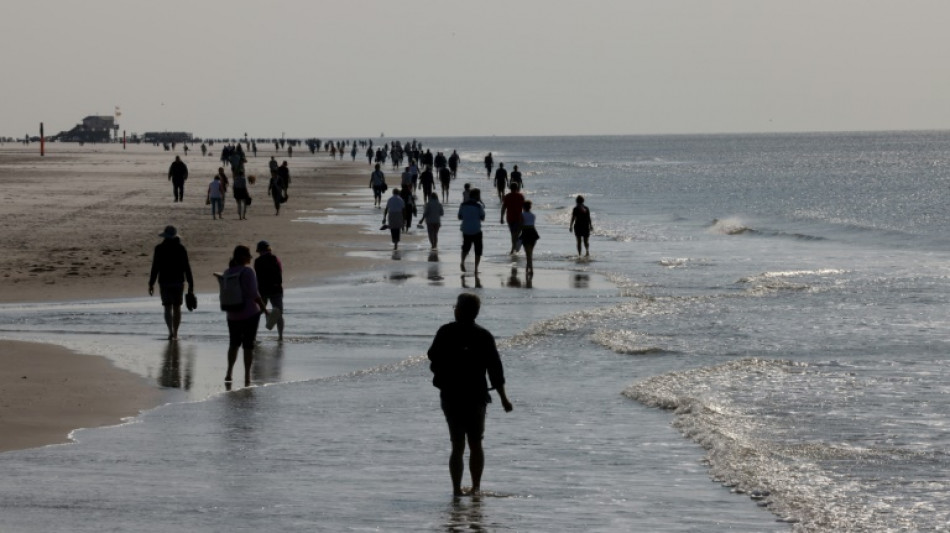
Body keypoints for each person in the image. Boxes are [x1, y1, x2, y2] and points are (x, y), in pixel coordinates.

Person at [427, 293, 513, 497]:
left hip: (451, 395)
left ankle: (457, 490)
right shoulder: (483, 335)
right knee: (476, 443)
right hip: (476, 396)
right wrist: (503, 399)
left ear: (461, 310)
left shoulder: (446, 332)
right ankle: (475, 488)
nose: (454, 309)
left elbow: (433, 357)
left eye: (456, 306)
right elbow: (495, 371)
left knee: (457, 444)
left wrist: (441, 374)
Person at [222, 245, 268, 386]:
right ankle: (247, 376)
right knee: (248, 345)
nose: (250, 258)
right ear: (243, 257)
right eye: (248, 255)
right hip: (249, 314)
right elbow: (254, 294)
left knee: (233, 344)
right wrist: (264, 309)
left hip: (232, 314)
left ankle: (229, 372)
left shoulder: (227, 272)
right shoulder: (248, 272)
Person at [148, 226, 195, 340]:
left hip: (164, 282)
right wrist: (191, 284)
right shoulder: (180, 248)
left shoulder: (159, 248)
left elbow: (155, 267)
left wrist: (151, 283)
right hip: (178, 281)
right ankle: (176, 333)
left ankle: (170, 332)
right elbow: (186, 267)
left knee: (167, 308)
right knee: (177, 308)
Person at [254, 241, 285, 341]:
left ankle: (254, 336)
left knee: (257, 313)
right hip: (276, 289)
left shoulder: (257, 261)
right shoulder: (276, 259)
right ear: (269, 249)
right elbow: (280, 273)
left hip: (263, 290)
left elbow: (258, 277)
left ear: (259, 250)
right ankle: (280, 336)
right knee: (279, 314)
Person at [458, 188, 485, 273]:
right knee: (478, 249)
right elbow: (482, 217)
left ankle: (462, 262)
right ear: (476, 196)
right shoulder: (478, 206)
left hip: (465, 229)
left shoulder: (463, 205)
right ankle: (476, 268)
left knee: (465, 247)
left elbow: (459, 216)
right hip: (476, 229)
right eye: (479, 195)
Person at [499, 183, 525, 255]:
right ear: (517, 188)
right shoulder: (520, 196)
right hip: (519, 218)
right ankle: (514, 248)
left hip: (510, 218)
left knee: (513, 234)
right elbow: (524, 208)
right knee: (516, 234)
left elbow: (503, 208)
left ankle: (513, 248)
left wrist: (501, 217)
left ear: (510, 188)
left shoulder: (507, 196)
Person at [519, 201, 540, 275]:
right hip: (533, 232)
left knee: (527, 253)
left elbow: (521, 225)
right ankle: (528, 267)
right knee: (530, 252)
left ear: (523, 207)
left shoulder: (522, 215)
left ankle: (530, 269)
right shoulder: (533, 215)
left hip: (526, 232)